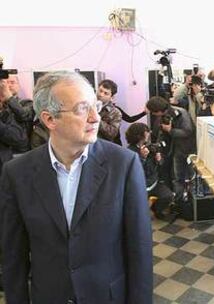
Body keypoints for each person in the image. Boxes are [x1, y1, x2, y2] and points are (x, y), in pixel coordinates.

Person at [0, 71, 153, 303]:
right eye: (82, 109)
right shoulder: (17, 173)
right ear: (50, 119)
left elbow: (139, 250)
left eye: (96, 106)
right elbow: (14, 256)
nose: (95, 117)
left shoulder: (123, 165)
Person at [146, 96, 195, 215]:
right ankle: (177, 203)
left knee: (185, 178)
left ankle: (186, 204)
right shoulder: (164, 116)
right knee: (176, 177)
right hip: (173, 150)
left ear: (158, 111)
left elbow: (188, 131)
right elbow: (161, 134)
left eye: (154, 113)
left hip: (185, 150)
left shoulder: (181, 114)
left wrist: (170, 131)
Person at [125, 122, 175, 221]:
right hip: (139, 185)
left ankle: (157, 209)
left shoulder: (149, 147)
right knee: (139, 212)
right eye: (147, 131)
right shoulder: (129, 152)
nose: (149, 133)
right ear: (140, 135)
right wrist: (142, 158)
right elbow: (134, 170)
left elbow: (158, 166)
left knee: (168, 196)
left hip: (153, 182)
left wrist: (159, 160)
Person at [96, 79, 122, 145]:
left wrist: (96, 118)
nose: (101, 95)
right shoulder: (87, 105)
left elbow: (112, 133)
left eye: (106, 93)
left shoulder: (116, 112)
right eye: (100, 91)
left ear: (111, 97)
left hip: (103, 146)